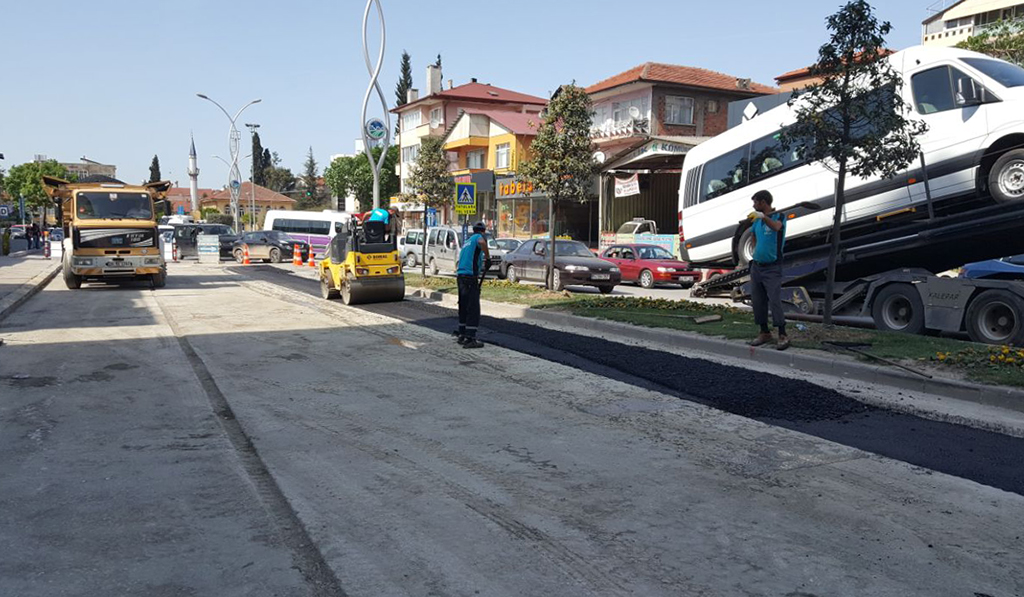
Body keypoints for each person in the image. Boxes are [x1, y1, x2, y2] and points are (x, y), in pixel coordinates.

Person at [747, 190, 789, 351]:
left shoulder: (779, 216)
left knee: (774, 300)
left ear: (763, 202)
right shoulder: (756, 222)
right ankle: (764, 332)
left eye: (756, 202)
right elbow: (753, 236)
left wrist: (764, 217)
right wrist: (755, 248)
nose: (753, 206)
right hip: (757, 266)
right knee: (757, 301)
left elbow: (777, 228)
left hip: (773, 267)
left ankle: (783, 334)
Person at [454, 221, 490, 349]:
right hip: (470, 277)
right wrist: (488, 257)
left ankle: (462, 334)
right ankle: (470, 338)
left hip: (461, 276)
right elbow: (481, 242)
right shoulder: (477, 238)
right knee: (473, 307)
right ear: (483, 231)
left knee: (463, 305)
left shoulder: (467, 241)